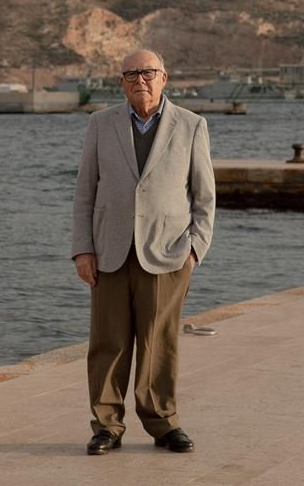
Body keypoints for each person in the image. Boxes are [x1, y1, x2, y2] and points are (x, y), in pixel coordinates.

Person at [71, 49, 215, 455]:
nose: (141, 80)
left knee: (159, 342)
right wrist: (83, 249)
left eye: (149, 72)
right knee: (108, 342)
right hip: (109, 251)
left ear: (164, 77)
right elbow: (85, 191)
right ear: (121, 82)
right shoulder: (100, 124)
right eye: (132, 73)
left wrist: (195, 250)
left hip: (168, 254)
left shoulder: (191, 125)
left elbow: (205, 197)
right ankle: (106, 426)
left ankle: (164, 423)